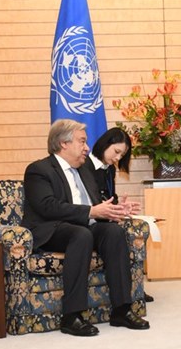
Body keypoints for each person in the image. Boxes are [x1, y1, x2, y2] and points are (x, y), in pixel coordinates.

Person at [22, 119, 150, 337]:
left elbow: (97, 203)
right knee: (80, 235)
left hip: (83, 226)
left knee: (114, 232)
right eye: (82, 141)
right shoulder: (39, 170)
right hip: (52, 229)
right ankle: (71, 315)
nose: (87, 148)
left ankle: (121, 309)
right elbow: (47, 206)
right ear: (64, 143)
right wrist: (91, 212)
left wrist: (115, 209)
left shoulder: (84, 171)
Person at [83, 127, 155, 303]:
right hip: (87, 223)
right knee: (117, 234)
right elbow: (87, 201)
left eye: (121, 155)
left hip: (105, 220)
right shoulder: (83, 166)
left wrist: (120, 207)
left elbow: (109, 197)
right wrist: (112, 210)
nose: (117, 158)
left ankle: (135, 287)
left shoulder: (109, 169)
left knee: (132, 230)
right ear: (105, 144)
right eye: (116, 152)